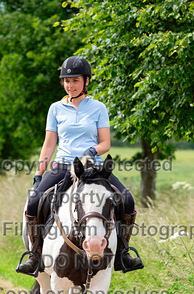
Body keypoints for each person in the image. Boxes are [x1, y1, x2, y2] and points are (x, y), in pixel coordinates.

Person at [17, 56, 143, 275]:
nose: (69, 85)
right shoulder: (55, 108)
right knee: (33, 201)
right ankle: (35, 255)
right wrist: (38, 175)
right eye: (66, 81)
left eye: (74, 81)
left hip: (93, 167)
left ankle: (123, 253)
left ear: (86, 81)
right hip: (64, 164)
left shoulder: (98, 107)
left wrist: (91, 152)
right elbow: (49, 145)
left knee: (127, 200)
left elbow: (106, 143)